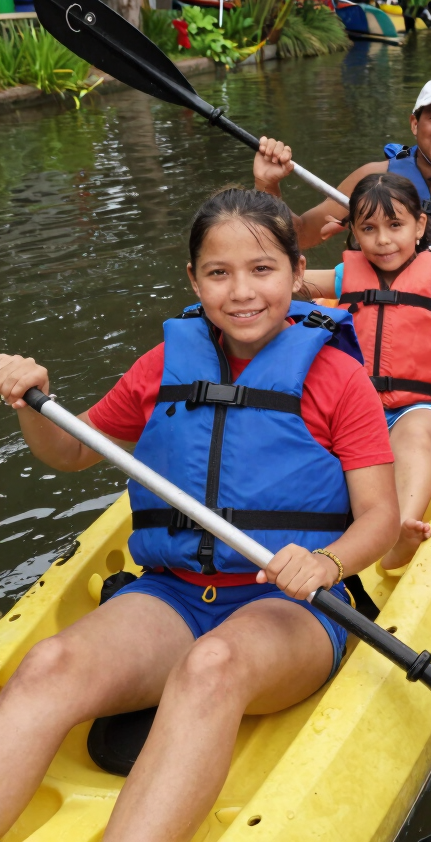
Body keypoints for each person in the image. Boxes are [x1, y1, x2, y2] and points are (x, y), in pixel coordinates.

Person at [0, 188, 399, 842]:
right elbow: (70, 452)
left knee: (212, 666)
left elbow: (380, 520)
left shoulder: (337, 378)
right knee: (48, 667)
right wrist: (30, 405)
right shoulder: (165, 365)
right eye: (219, 273)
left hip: (290, 609)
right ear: (194, 280)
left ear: (299, 274)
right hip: (171, 594)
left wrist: (327, 562)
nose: (241, 291)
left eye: (262, 269)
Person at [253, 75, 431, 426]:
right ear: (415, 123)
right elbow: (301, 235)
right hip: (382, 300)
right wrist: (268, 183)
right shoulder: (373, 181)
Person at [303, 172, 431, 571]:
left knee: (409, 438)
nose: (382, 239)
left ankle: (401, 532)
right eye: (369, 228)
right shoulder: (347, 275)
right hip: (360, 410)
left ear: (418, 226)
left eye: (395, 225)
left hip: (423, 411)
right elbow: (286, 279)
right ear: (354, 234)